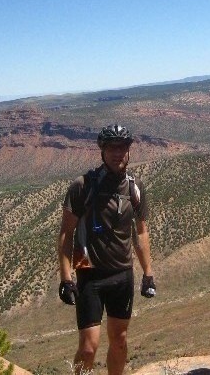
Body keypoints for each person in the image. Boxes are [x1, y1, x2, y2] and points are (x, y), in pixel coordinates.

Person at [57, 124, 155, 375]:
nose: (117, 153)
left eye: (122, 147)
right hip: (89, 274)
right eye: (112, 147)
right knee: (88, 347)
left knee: (120, 341)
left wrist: (148, 274)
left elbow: (141, 232)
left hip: (122, 273)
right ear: (102, 150)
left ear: (129, 151)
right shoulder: (83, 185)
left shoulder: (135, 187)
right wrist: (66, 278)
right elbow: (66, 234)